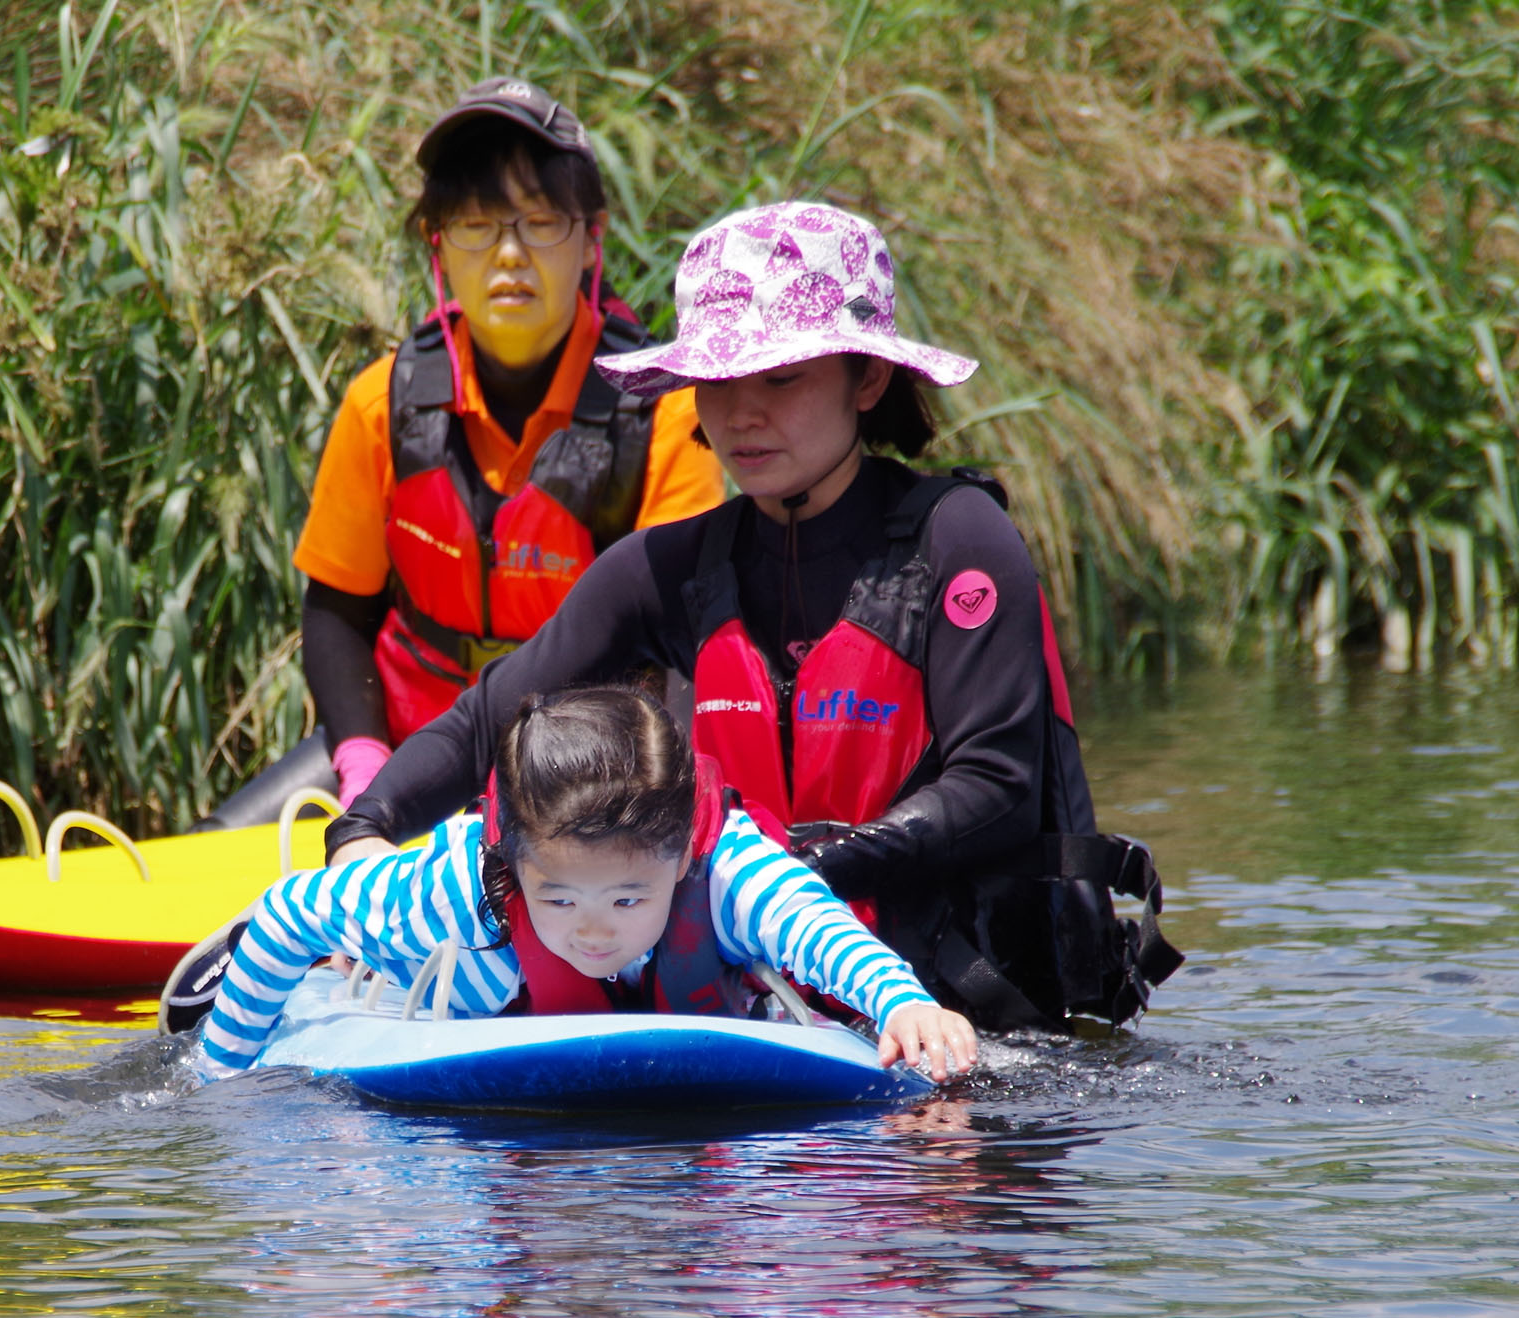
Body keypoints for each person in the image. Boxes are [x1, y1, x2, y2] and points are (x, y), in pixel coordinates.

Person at [323, 201, 1180, 1030]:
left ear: (869, 377)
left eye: (781, 377)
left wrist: (794, 871)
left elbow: (996, 787)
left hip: (976, 1009)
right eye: (718, 382)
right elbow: (491, 718)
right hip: (766, 1006)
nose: (742, 414)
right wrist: (368, 826)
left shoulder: (960, 541)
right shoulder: (667, 568)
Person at [285, 77, 721, 813]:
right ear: (439, 247)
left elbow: (678, 646)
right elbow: (336, 612)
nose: (509, 253)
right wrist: (364, 763)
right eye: (476, 225)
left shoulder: (666, 413)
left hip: (583, 766)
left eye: (541, 221)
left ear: (592, 240)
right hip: (400, 744)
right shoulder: (379, 401)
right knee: (221, 847)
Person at [190, 684, 977, 1081]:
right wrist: (216, 1078)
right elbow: (291, 914)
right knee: (327, 934)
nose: (592, 930)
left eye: (628, 899)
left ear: (679, 855)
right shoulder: (461, 889)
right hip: (432, 968)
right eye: (559, 900)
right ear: (518, 865)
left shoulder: (727, 870)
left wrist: (905, 1004)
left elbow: (821, 930)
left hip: (679, 968)